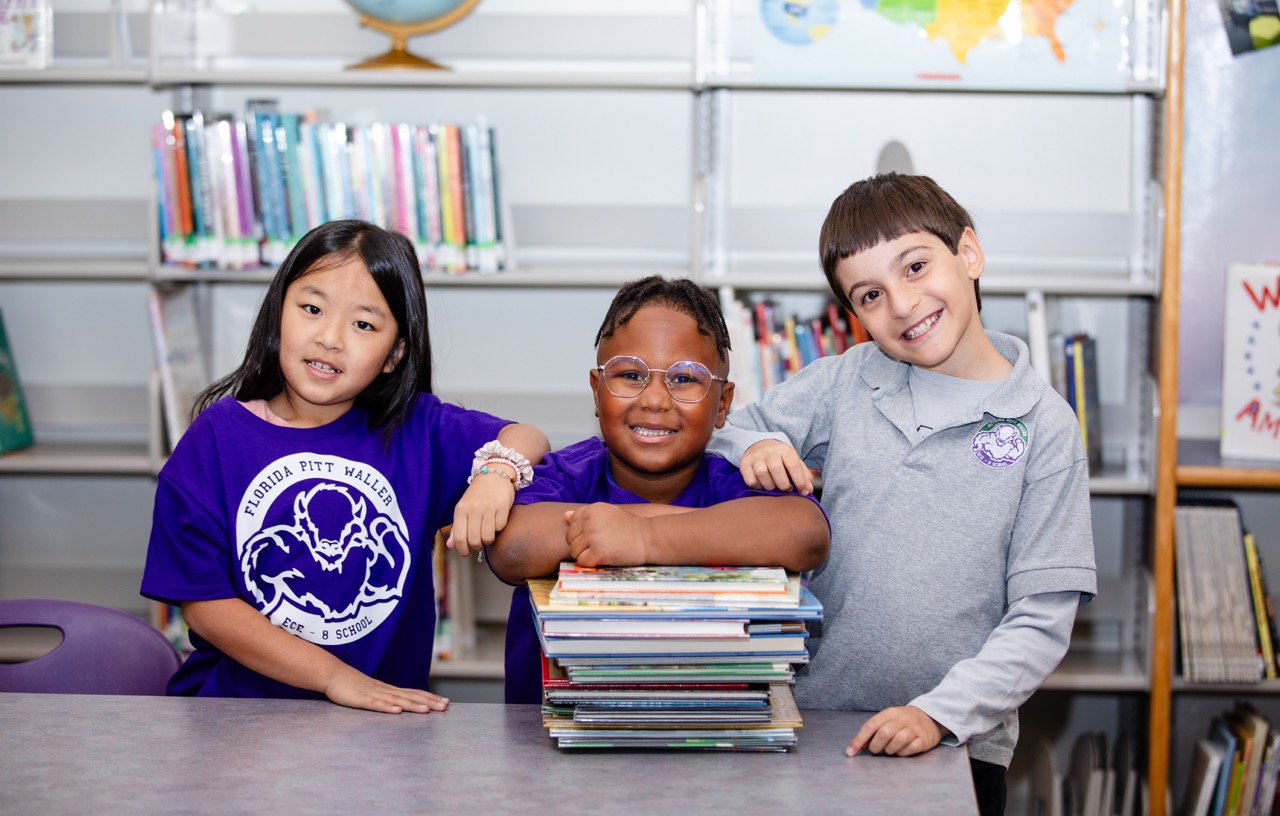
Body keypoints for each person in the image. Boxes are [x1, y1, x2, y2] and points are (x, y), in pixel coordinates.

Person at [707, 173, 1097, 816]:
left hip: (959, 746)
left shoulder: (1046, 426)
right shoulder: (845, 380)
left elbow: (1041, 619)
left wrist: (936, 714)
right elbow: (726, 432)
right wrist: (762, 442)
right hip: (815, 725)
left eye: (917, 266)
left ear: (969, 254)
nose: (904, 303)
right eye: (871, 295)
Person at [141, 219, 549, 714]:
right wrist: (335, 679)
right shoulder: (216, 438)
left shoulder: (417, 428)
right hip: (236, 717)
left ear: (394, 353)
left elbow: (526, 437)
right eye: (311, 309)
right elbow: (205, 609)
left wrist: (495, 474)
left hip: (379, 729)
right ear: (277, 316)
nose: (331, 338)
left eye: (364, 324)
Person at [485, 275, 832, 705]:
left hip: (712, 741)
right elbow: (511, 548)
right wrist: (705, 533)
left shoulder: (734, 480)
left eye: (685, 379)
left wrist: (640, 537)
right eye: (631, 374)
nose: (654, 400)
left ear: (722, 404)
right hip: (553, 748)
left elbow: (805, 534)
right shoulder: (568, 474)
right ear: (596, 392)